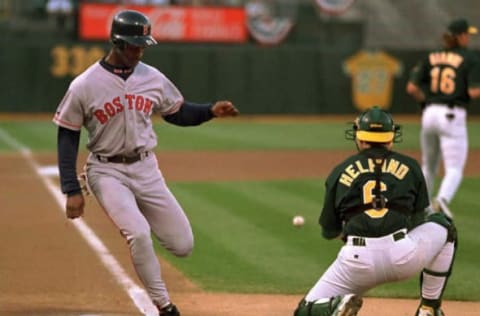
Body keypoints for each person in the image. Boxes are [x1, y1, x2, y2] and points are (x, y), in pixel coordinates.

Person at [52, 9, 239, 316]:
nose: (139, 51)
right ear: (116, 42)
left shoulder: (151, 77)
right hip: (106, 170)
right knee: (138, 233)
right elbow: (67, 135)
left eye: (142, 45)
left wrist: (209, 111)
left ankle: (142, 242)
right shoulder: (84, 85)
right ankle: (165, 307)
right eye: (134, 45)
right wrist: (71, 188)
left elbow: (177, 112)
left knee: (183, 245)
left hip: (146, 168)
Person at [293, 106, 457, 316]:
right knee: (445, 228)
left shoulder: (341, 170)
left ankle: (337, 305)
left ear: (360, 139)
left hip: (356, 261)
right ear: (390, 138)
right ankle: (429, 309)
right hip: (403, 256)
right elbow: (418, 220)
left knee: (303, 311)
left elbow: (329, 230)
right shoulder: (411, 166)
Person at [406, 18, 480, 218]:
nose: (469, 38)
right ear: (461, 36)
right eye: (467, 34)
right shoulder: (470, 58)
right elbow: (473, 92)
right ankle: (442, 200)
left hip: (429, 113)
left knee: (428, 166)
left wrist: (425, 103)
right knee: (454, 168)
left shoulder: (431, 56)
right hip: (451, 115)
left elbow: (412, 87)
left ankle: (419, 206)